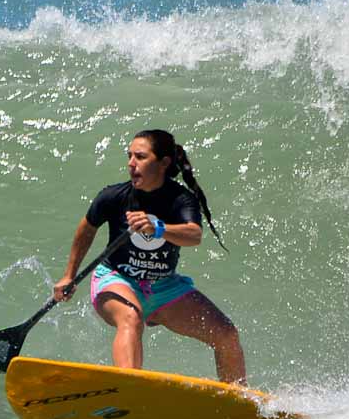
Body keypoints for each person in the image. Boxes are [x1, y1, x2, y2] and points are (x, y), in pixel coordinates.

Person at [52, 129, 246, 384]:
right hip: (116, 280)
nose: (131, 164)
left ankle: (237, 401)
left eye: (140, 157)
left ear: (163, 163)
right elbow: (86, 229)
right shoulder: (113, 196)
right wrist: (69, 275)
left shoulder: (181, 199)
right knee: (131, 317)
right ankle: (131, 389)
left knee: (226, 334)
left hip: (164, 286)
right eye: (129, 156)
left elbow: (193, 235)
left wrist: (159, 228)